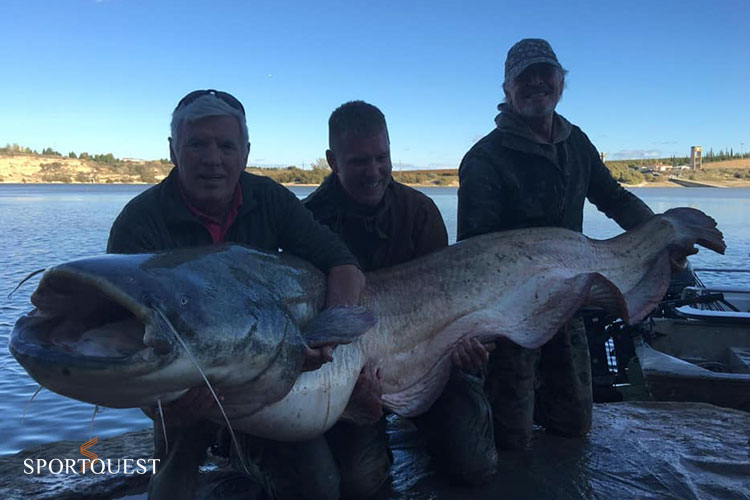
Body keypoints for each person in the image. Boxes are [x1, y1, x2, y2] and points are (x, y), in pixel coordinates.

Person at [106, 89, 366, 500]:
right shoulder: (138, 223)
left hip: (261, 382)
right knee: (173, 490)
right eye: (197, 144)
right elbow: (121, 339)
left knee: (319, 486)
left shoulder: (269, 198)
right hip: (181, 389)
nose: (213, 159)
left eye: (227, 145)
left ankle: (240, 453)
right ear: (173, 150)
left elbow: (343, 264)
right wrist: (160, 407)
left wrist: (327, 331)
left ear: (245, 152)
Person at [457, 39, 656, 452]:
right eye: (523, 77)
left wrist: (658, 234)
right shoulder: (484, 160)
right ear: (507, 89)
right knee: (509, 435)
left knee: (574, 422)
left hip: (569, 301)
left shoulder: (576, 142)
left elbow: (615, 198)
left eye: (544, 73)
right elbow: (471, 259)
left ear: (561, 81)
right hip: (509, 316)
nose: (535, 83)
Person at [301, 100, 499, 493]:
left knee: (475, 466)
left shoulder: (420, 211)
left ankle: (430, 429)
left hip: (428, 362)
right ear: (332, 161)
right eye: (359, 161)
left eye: (382, 157)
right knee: (360, 484)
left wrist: (467, 349)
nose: (374, 172)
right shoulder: (306, 221)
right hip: (347, 376)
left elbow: (448, 305)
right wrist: (349, 388)